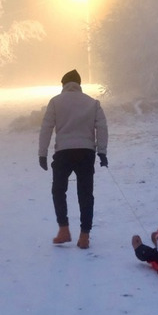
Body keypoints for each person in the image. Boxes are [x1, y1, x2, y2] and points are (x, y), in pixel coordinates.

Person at [38, 68, 108, 249]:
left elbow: (46, 128)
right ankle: (84, 236)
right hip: (86, 153)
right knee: (85, 194)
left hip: (63, 153)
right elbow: (102, 127)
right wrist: (102, 151)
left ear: (63, 84)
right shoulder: (92, 103)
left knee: (58, 190)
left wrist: (42, 153)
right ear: (79, 84)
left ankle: (64, 229)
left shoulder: (55, 102)